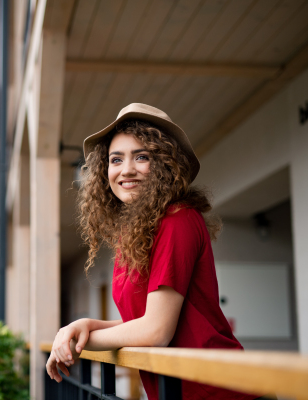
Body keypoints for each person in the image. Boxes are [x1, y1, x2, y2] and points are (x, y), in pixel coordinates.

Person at [45, 103, 274, 400]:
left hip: (219, 392)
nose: (126, 170)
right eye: (116, 160)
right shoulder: (135, 235)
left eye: (141, 156)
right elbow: (145, 321)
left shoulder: (178, 219)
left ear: (165, 164)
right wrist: (84, 326)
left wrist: (75, 345)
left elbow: (156, 331)